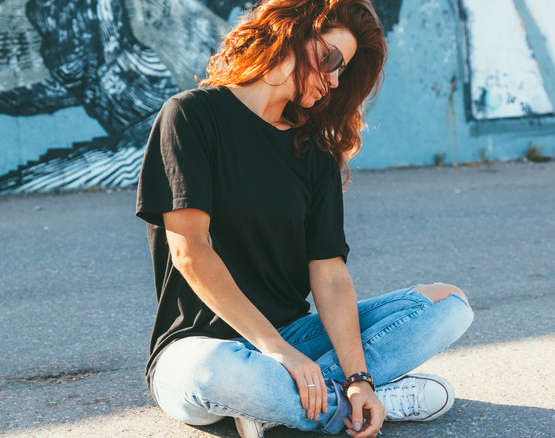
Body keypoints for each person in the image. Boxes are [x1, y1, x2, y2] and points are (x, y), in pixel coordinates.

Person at [135, 0, 474, 436]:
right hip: (201, 348)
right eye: (331, 59)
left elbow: (330, 276)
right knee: (213, 372)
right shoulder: (191, 116)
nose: (334, 80)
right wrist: (274, 349)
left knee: (449, 306)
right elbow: (190, 251)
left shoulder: (313, 151)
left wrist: (358, 376)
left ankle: (302, 402)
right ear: (288, 32)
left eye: (342, 71)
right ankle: (356, 405)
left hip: (295, 338)